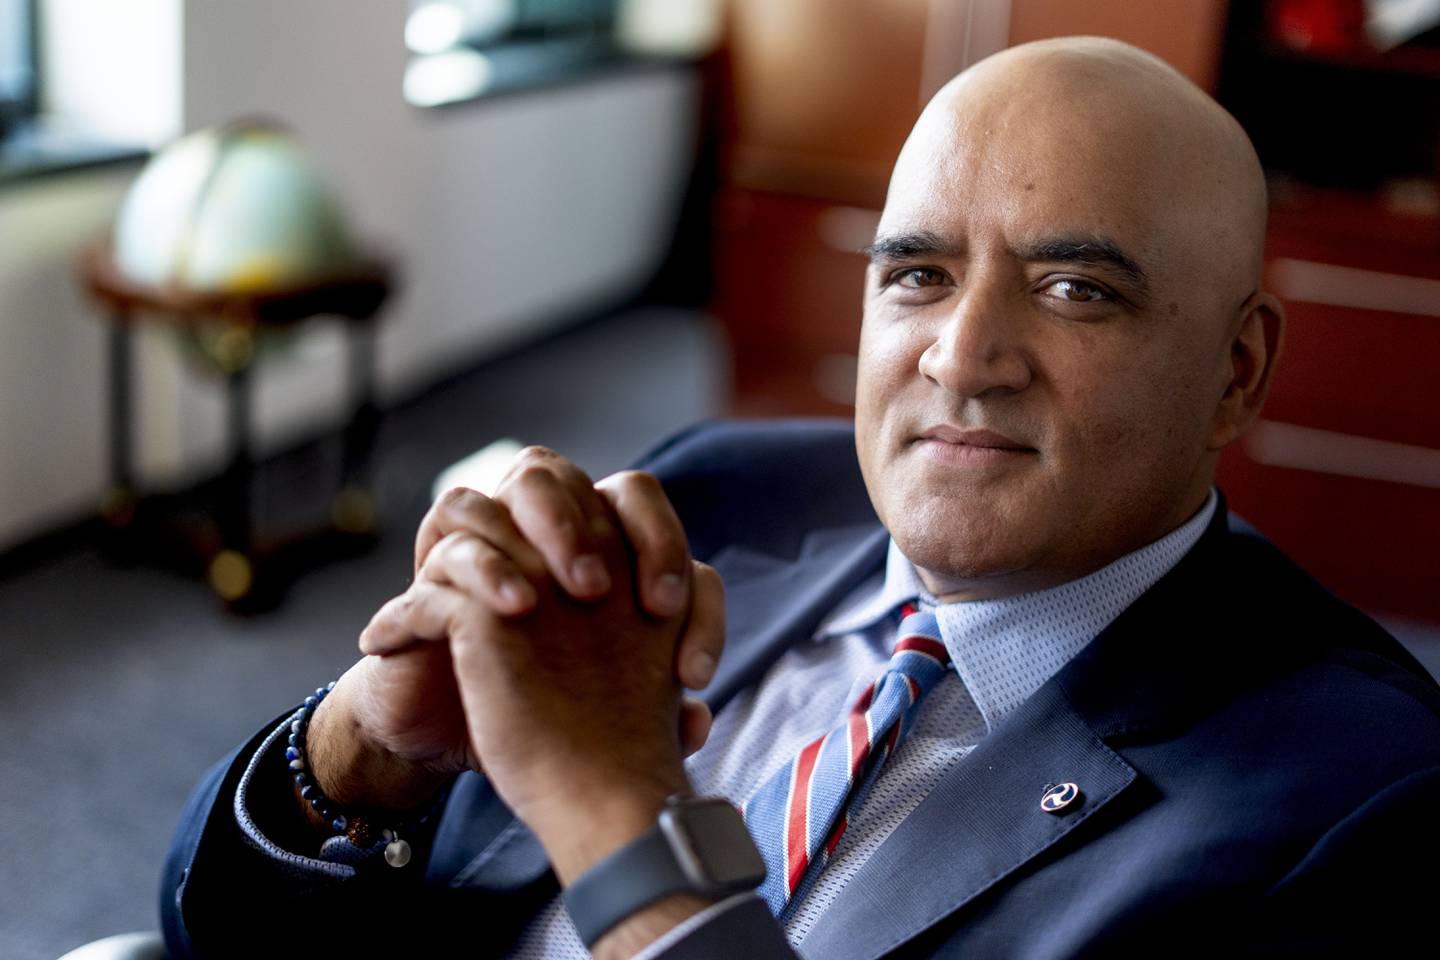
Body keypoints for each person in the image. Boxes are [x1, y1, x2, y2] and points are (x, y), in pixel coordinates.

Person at [161, 37, 1440, 958]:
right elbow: (210, 926)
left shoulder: (1367, 806)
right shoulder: (713, 493)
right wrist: (371, 759)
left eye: (1075, 290)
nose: (962, 356)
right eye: (919, 275)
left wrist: (627, 824)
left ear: (1237, 369)